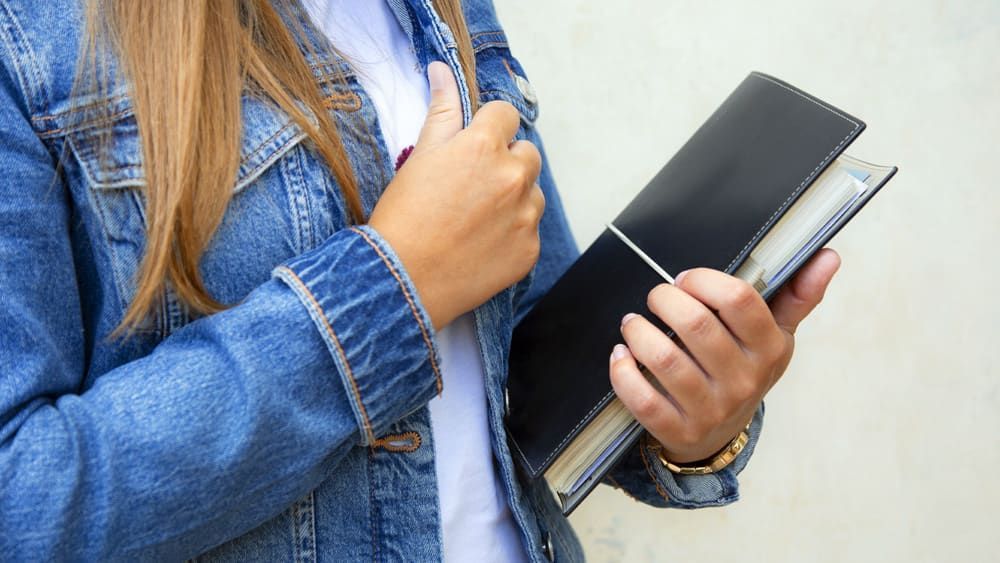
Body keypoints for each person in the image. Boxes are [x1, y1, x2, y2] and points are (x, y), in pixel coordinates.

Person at [0, 0, 841, 560]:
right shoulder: (29, 34)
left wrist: (686, 415)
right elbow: (20, 501)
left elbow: (520, 378)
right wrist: (390, 286)